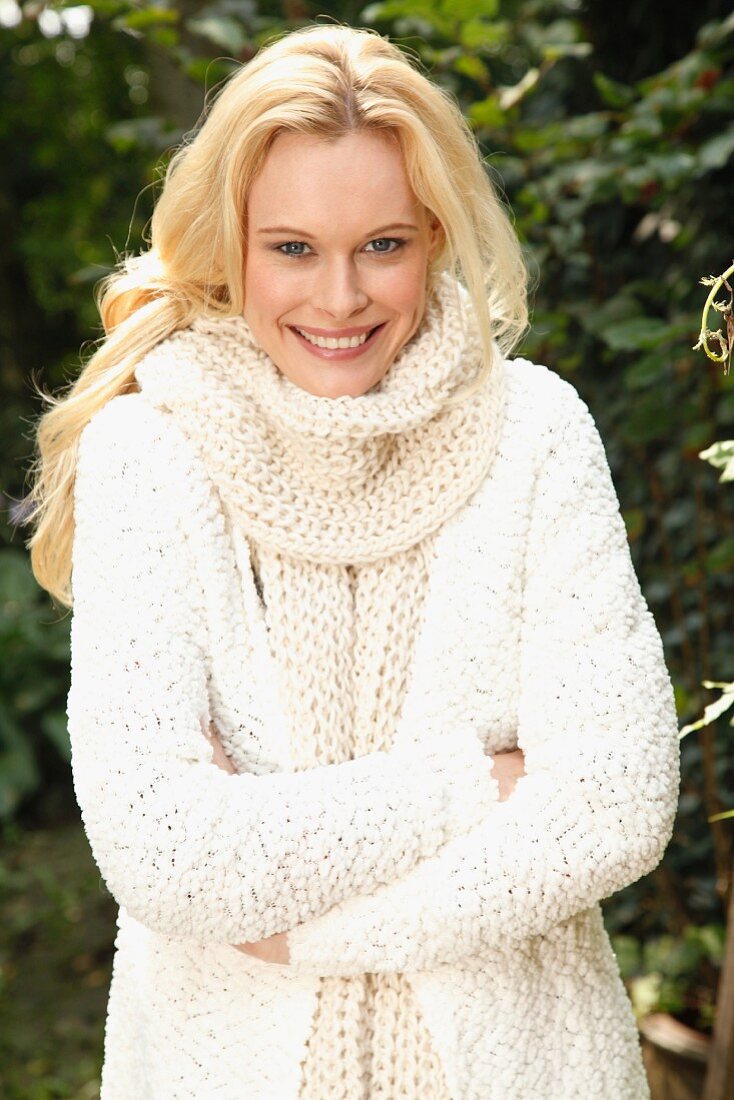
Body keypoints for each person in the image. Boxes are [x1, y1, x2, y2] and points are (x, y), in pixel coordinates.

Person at [26, 21, 680, 1100]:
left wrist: (297, 929)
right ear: (228, 242)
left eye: (382, 244)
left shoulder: (534, 432)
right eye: (292, 248)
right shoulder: (150, 451)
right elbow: (164, 851)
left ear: (433, 231)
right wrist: (474, 780)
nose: (339, 299)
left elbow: (610, 805)